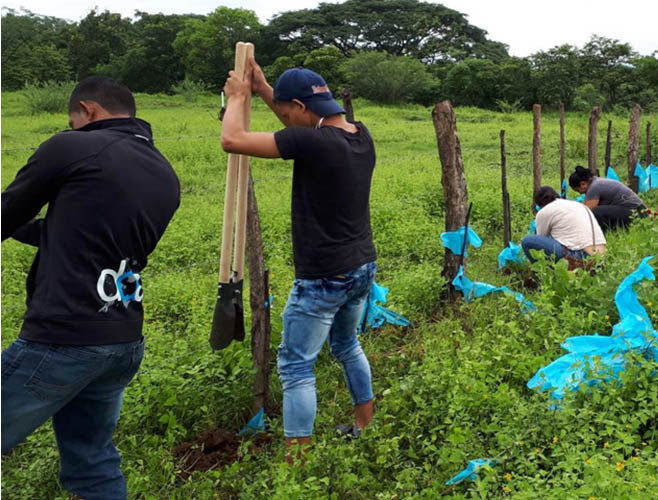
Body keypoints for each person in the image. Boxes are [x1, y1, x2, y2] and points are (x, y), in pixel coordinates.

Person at [1, 77, 180, 500]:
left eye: (72, 120)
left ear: (89, 110)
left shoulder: (73, 146)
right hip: (121, 339)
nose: (71, 127)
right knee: (92, 462)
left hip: (64, 339)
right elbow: (78, 232)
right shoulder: (162, 170)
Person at [220, 62, 377, 463]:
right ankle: (364, 425)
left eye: (287, 113)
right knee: (346, 344)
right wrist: (262, 88)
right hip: (360, 267)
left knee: (295, 367)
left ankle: (297, 463)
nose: (286, 120)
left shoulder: (314, 143)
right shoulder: (360, 135)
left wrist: (238, 97)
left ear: (300, 108)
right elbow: (297, 119)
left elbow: (233, 140)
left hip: (323, 277)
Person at [521, 186, 606, 263]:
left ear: (540, 204)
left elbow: (540, 239)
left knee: (527, 241)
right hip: (600, 255)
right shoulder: (577, 204)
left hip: (579, 255)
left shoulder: (544, 211)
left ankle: (543, 272)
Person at [568, 166, 647, 231]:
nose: (580, 193)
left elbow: (587, 211)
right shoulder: (596, 182)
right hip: (636, 211)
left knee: (596, 212)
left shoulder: (594, 187)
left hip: (635, 213)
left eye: (578, 190)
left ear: (583, 184)